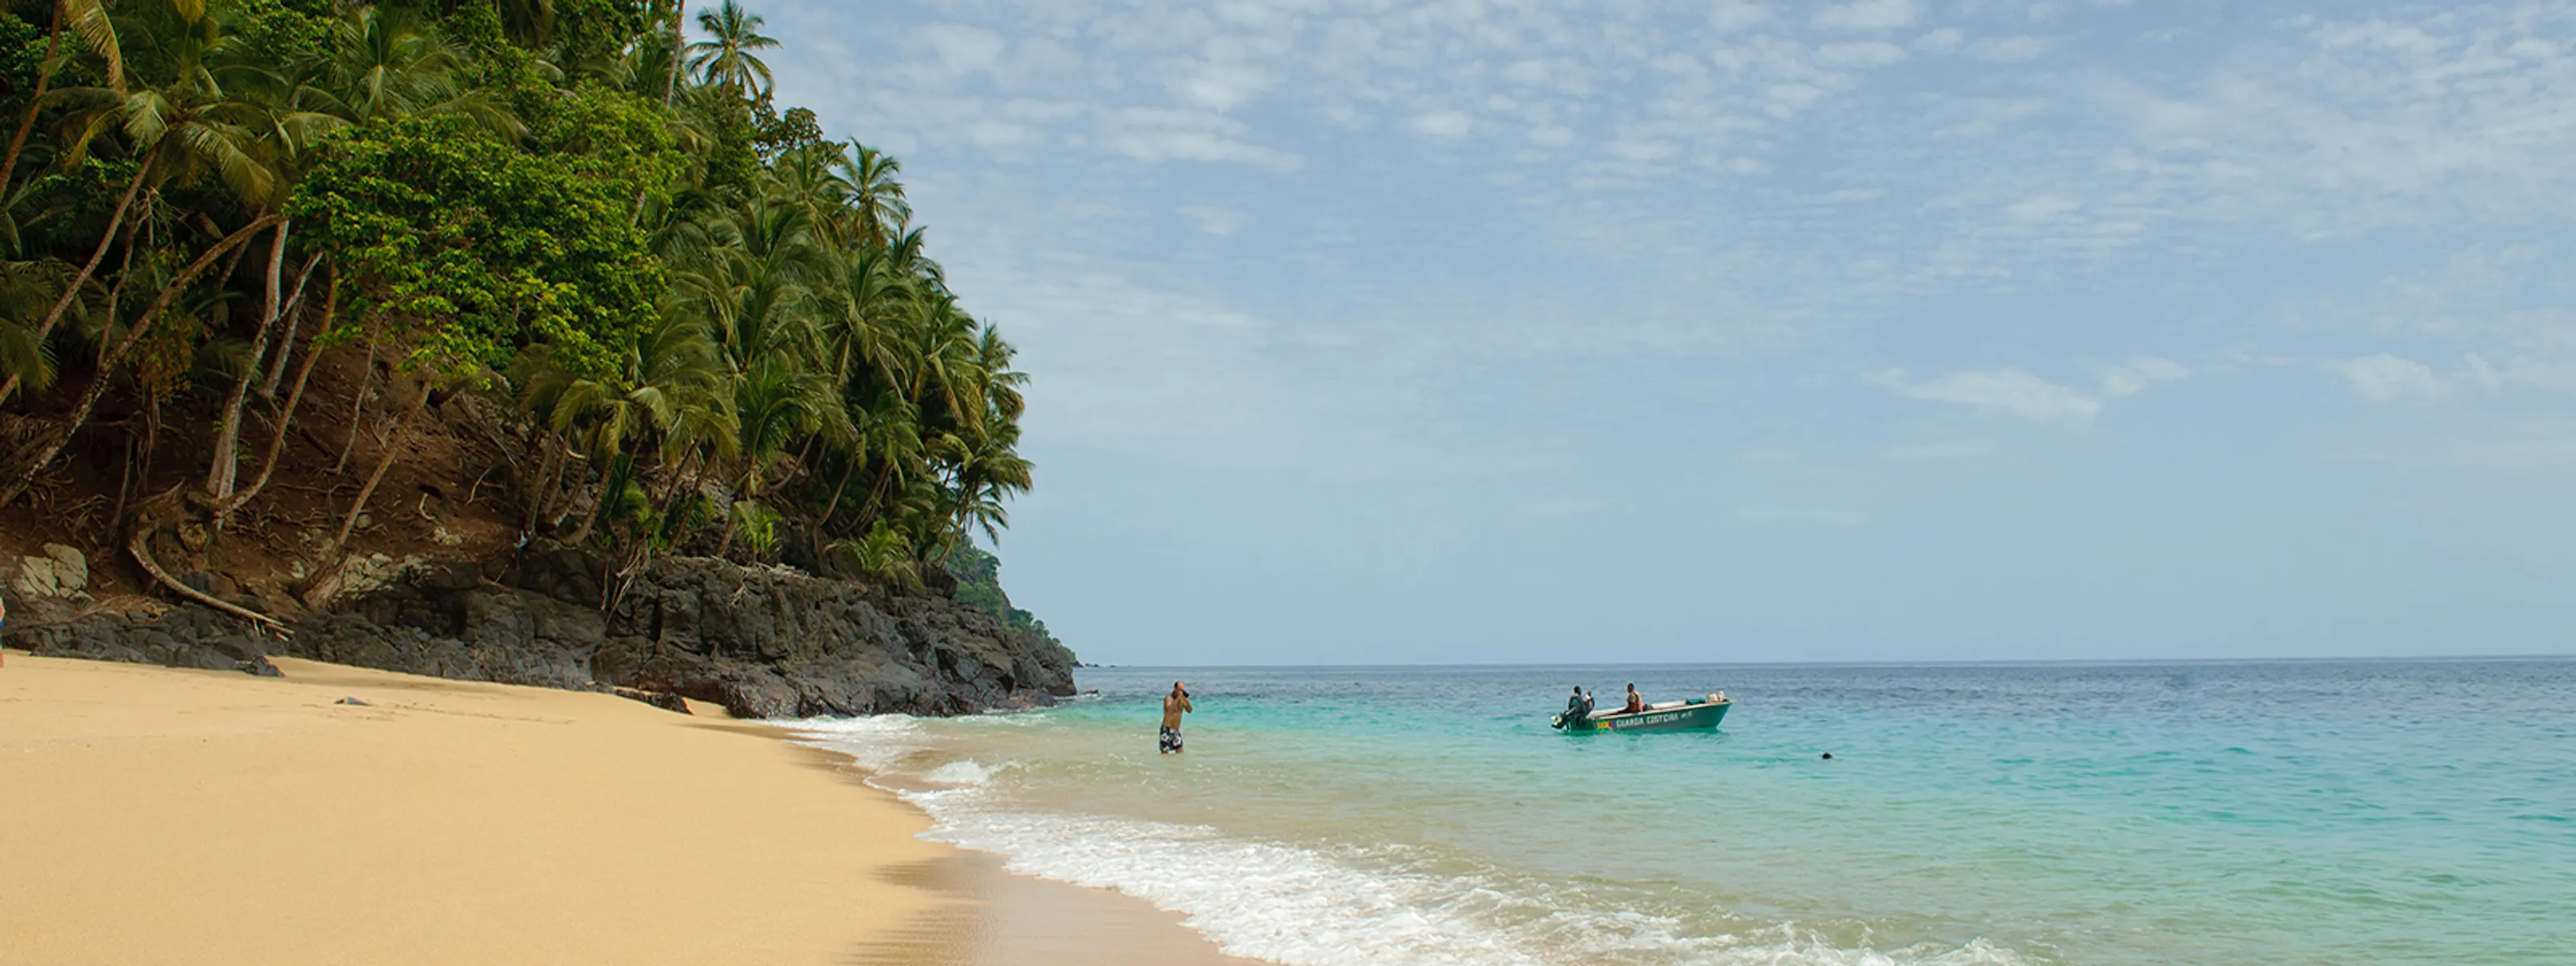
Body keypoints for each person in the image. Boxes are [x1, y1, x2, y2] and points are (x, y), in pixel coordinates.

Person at [1159, 681, 1193, 753]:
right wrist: (1178, 698)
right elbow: (1168, 709)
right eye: (1180, 690)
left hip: (1176, 730)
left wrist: (1186, 700)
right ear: (1175, 689)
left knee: (1180, 751)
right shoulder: (1168, 698)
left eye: (1183, 690)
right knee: (1165, 752)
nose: (1181, 692)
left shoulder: (1182, 699)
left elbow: (1190, 710)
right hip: (1167, 728)